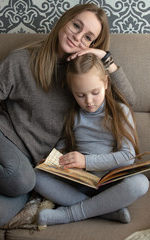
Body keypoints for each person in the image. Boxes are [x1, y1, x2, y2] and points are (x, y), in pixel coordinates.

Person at [0, 3, 136, 229]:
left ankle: (95, 208)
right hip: (0, 137)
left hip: (29, 164)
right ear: (64, 21)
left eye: (88, 37)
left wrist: (104, 58)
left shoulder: (82, 81)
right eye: (76, 25)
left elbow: (128, 102)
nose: (78, 37)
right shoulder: (20, 60)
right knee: (21, 178)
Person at [35, 53, 149, 226]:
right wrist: (56, 160)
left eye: (95, 92)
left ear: (105, 83)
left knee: (140, 183)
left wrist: (86, 161)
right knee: (35, 176)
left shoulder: (120, 111)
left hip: (112, 183)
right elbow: (64, 144)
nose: (89, 101)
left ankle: (70, 214)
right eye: (80, 95)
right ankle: (106, 210)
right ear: (72, 91)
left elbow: (129, 156)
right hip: (82, 181)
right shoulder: (72, 115)